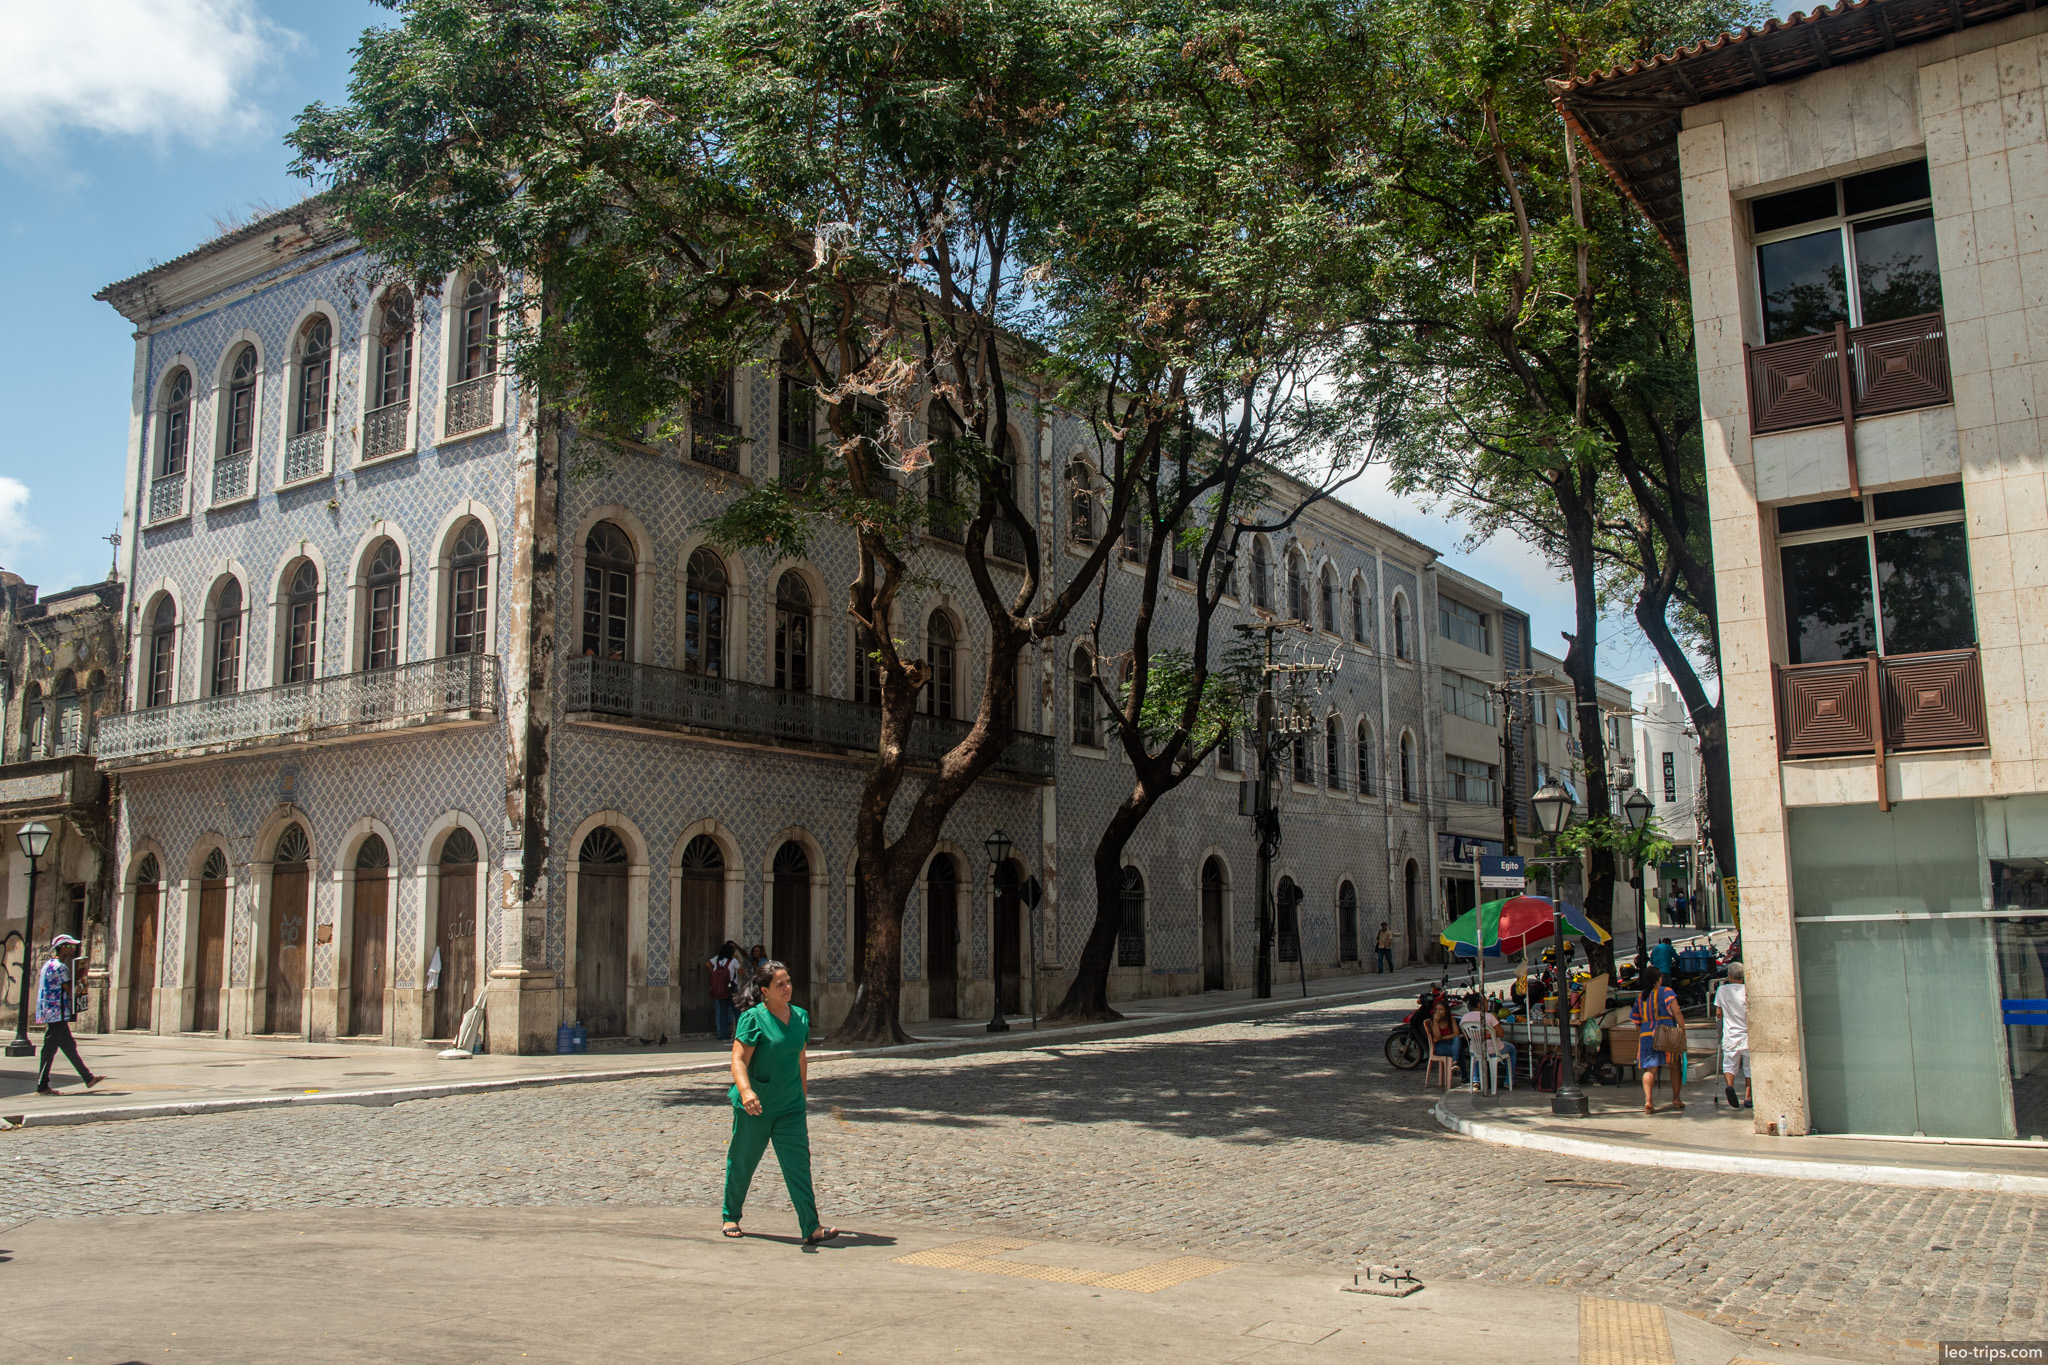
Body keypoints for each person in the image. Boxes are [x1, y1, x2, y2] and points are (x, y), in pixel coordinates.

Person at [722, 958, 839, 1245]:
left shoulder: (800, 1016)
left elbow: (800, 1056)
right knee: (743, 1162)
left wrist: (803, 1092)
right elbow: (738, 1060)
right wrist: (747, 1091)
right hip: (756, 1106)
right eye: (780, 984)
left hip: (790, 1107)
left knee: (798, 1164)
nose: (787, 987)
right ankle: (730, 1215)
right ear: (764, 990)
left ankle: (811, 1227)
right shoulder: (753, 1019)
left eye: (788, 982)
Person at [34, 934, 101, 1096]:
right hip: (58, 1012)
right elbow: (69, 990)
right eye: (69, 946)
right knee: (49, 1049)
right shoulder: (61, 967)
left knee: (69, 1046)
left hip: (50, 1011)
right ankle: (42, 1085)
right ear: (61, 947)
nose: (72, 949)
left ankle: (88, 1078)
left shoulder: (47, 965)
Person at [1631, 964, 1685, 1114]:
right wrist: (1683, 1028)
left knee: (1650, 1069)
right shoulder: (1667, 992)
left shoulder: (1640, 997)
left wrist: (1643, 1037)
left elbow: (1636, 1021)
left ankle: (1648, 1101)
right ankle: (1676, 1099)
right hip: (1666, 1029)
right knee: (1675, 1066)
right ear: (1658, 979)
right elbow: (1677, 1012)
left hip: (1646, 1033)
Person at [1713, 962, 1751, 1109]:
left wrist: (1718, 1028)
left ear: (1729, 976)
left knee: (1729, 1065)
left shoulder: (1722, 990)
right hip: (1747, 1034)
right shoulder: (1747, 990)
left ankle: (1730, 1086)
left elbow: (1718, 1013)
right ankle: (1748, 1097)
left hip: (1730, 1035)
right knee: (1749, 1067)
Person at [1459, 991, 1516, 1085]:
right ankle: (1509, 1081)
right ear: (1478, 1004)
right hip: (1493, 1050)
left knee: (1478, 1050)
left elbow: (1466, 1036)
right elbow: (1501, 1034)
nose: (1487, 1004)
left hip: (1475, 1050)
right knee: (1512, 1049)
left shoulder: (1464, 1018)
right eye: (1485, 1002)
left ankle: (1476, 1080)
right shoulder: (1489, 1016)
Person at [708, 940, 745, 1043]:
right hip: (732, 988)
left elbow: (714, 972)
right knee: (737, 1011)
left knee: (723, 1012)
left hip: (721, 989)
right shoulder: (733, 961)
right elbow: (742, 972)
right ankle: (740, 1033)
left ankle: (724, 1035)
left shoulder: (718, 961)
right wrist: (738, 961)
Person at [1421, 997, 1459, 1089]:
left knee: (1457, 1040)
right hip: (1440, 1046)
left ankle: (1455, 1062)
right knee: (1459, 1050)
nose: (1438, 1012)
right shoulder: (1433, 1021)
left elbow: (1456, 1033)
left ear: (1446, 1011)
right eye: (1436, 1010)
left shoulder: (1451, 1019)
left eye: (1441, 1010)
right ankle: (1457, 1064)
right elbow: (1437, 1037)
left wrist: (1443, 1037)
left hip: (1451, 1043)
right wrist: (1436, 1022)